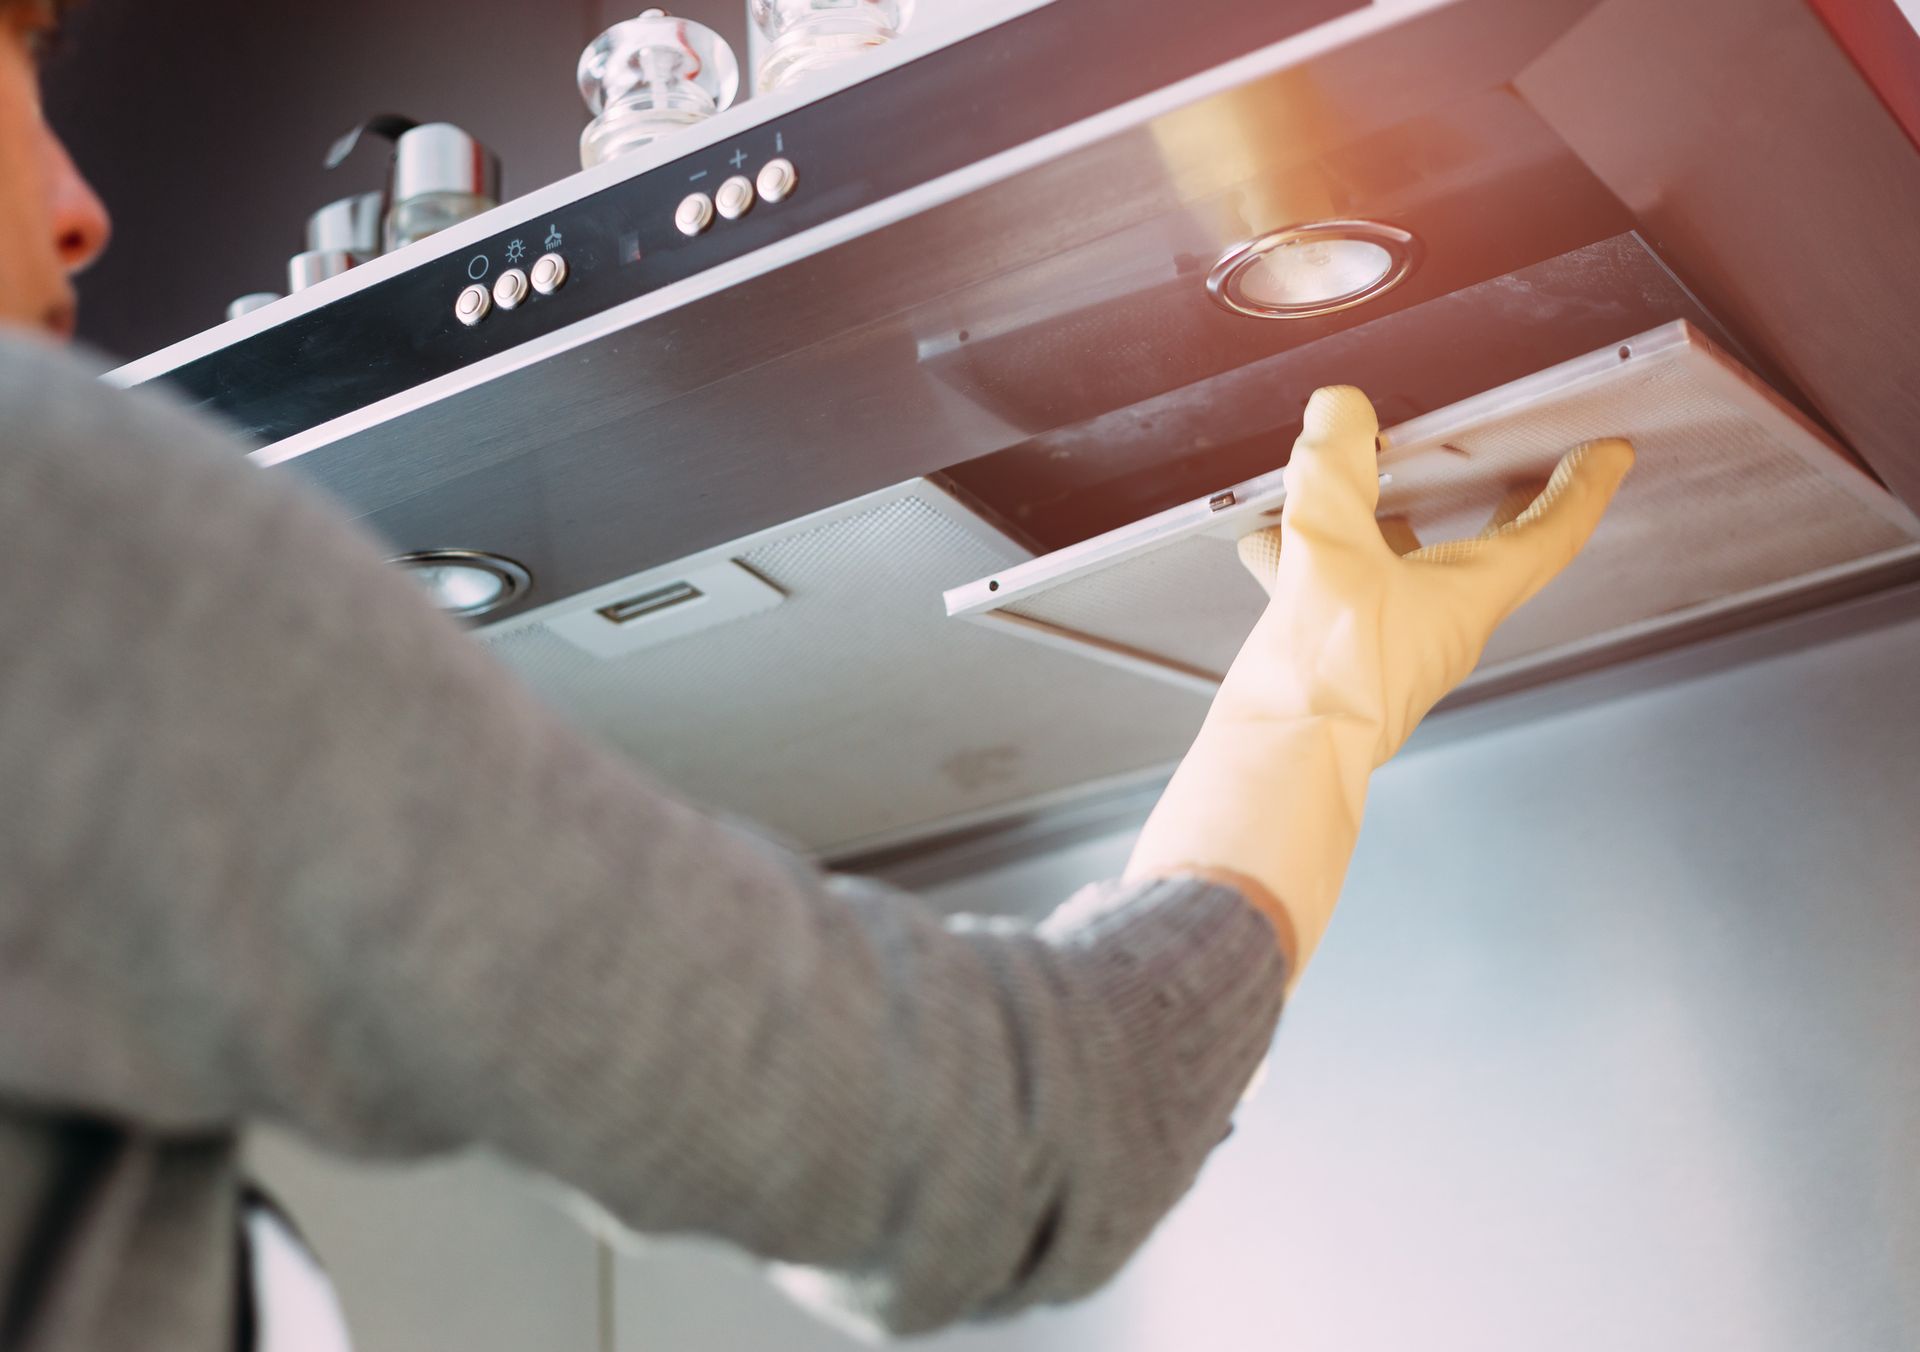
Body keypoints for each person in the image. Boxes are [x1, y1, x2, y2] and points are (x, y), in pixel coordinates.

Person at [0, 2, 1636, 1348]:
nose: (83, 201)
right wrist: (1318, 703)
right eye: (4, 61)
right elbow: (992, 1155)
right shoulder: (63, 522)